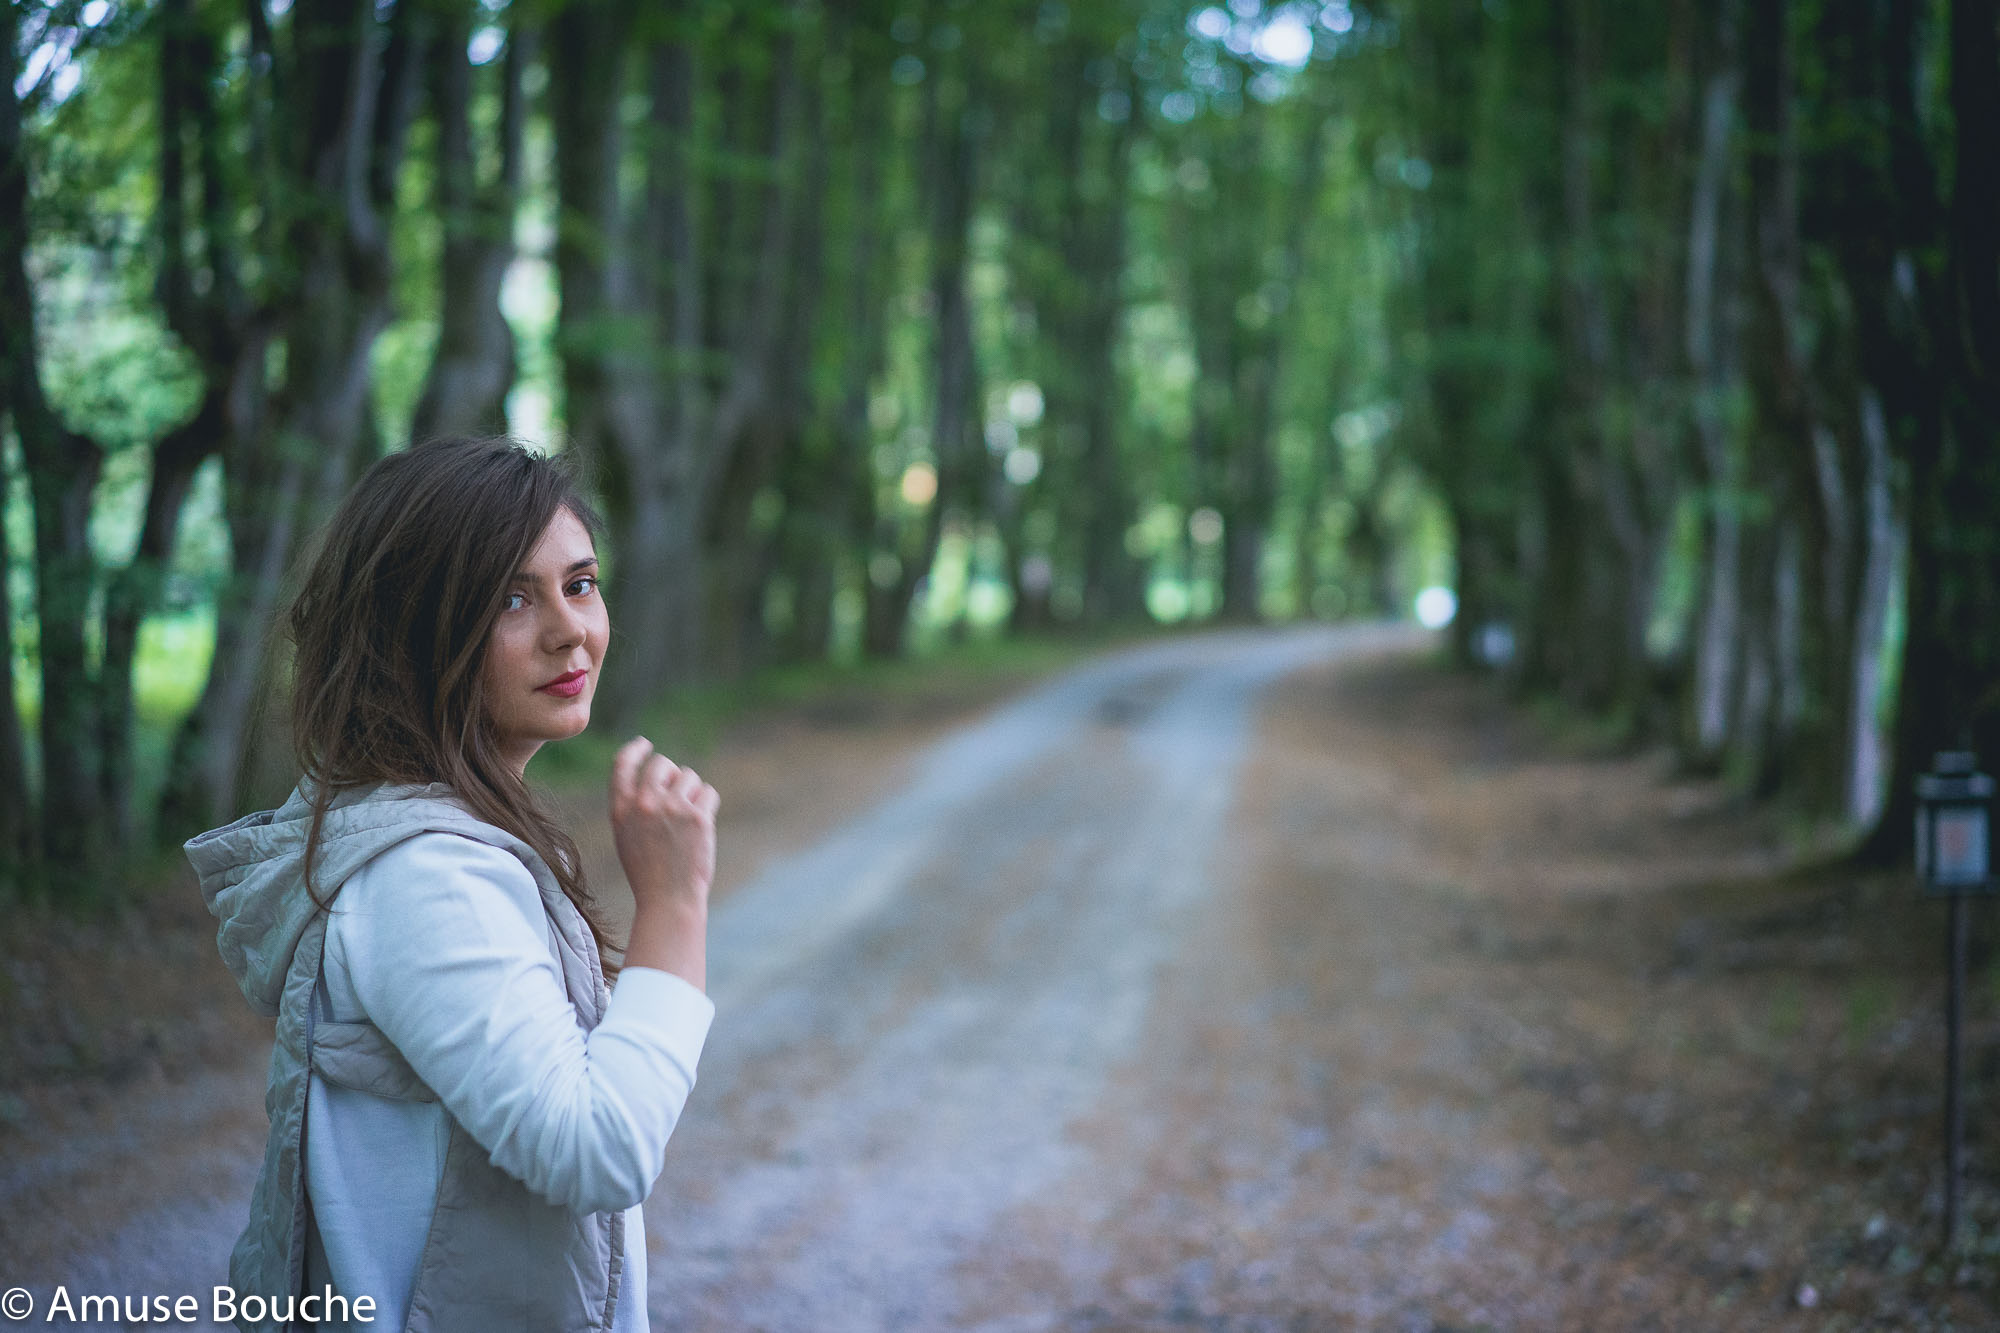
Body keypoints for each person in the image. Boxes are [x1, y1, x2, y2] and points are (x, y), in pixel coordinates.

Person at [185, 437, 719, 1333]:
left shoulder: (428, 834)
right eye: (512, 597)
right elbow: (598, 1152)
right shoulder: (425, 873)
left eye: (580, 583)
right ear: (414, 631)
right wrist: (675, 903)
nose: (570, 629)